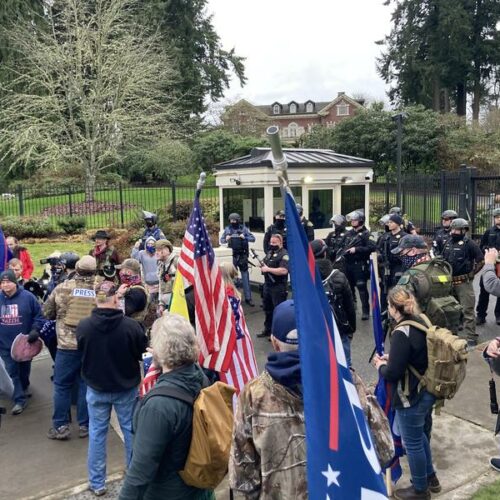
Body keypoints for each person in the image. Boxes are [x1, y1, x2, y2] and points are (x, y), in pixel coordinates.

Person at [119, 313, 212, 500]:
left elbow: (141, 470)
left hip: (168, 492)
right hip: (199, 486)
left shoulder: (158, 407)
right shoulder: (199, 376)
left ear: (159, 350)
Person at [77, 280, 148, 497]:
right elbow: (141, 353)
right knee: (130, 431)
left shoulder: (84, 326)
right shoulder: (131, 327)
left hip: (96, 387)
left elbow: (82, 351)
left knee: (97, 434)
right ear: (117, 299)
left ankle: (97, 483)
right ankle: (133, 478)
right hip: (125, 387)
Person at [230, 299, 306, 499]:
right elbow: (383, 452)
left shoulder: (254, 395)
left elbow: (243, 476)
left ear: (274, 342)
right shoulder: (348, 384)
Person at [372, 287, 440, 500]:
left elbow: (392, 373)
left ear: (394, 308)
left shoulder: (401, 332)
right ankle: (431, 478)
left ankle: (420, 490)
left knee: (412, 443)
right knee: (419, 436)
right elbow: (415, 352)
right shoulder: (421, 320)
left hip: (410, 395)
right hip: (427, 388)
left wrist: (379, 366)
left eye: (389, 306)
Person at [43, 255, 98, 440]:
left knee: (61, 386)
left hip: (66, 346)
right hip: (89, 345)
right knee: (85, 385)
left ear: (77, 268)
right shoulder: (99, 289)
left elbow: (47, 312)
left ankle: (60, 426)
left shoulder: (62, 288)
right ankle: (85, 425)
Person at [392, 235, 462, 335]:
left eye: (402, 252)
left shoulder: (412, 274)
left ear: (413, 251)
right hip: (446, 326)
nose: (401, 256)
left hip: (423, 328)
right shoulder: (441, 267)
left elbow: (399, 303)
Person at [0, 269, 44, 415]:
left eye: (8, 282)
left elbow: (39, 316)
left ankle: (24, 387)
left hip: (25, 344)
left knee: (24, 370)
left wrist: (35, 330)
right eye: (2, 282)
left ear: (15, 282)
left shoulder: (28, 297)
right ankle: (19, 400)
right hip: (4, 345)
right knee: (11, 371)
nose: (5, 285)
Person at [311, 239, 356, 366]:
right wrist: (351, 328)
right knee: (345, 366)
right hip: (339, 328)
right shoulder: (339, 276)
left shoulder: (305, 276)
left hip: (315, 330)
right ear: (325, 253)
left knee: (320, 366)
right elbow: (350, 306)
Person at [441, 218, 484, 345]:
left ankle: (471, 337)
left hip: (464, 283)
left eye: (457, 229)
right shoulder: (448, 243)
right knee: (450, 310)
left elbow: (481, 261)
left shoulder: (470, 244)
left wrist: (473, 273)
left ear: (464, 230)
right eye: (452, 229)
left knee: (467, 310)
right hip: (449, 282)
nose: (454, 232)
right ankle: (453, 335)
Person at [341, 210, 376, 320]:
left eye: (354, 220)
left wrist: (357, 249)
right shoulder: (348, 233)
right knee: (349, 287)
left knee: (361, 287)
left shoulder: (367, 234)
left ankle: (365, 311)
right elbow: (341, 245)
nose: (352, 221)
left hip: (359, 264)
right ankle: (352, 308)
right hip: (347, 264)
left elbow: (371, 248)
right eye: (351, 220)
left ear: (360, 221)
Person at [220, 213, 256, 306]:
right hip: (233, 255)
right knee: (231, 277)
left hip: (243, 255)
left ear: (238, 220)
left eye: (234, 220)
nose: (233, 222)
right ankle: (233, 297)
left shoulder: (244, 229)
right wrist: (226, 239)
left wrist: (245, 237)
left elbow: (253, 238)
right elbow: (222, 240)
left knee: (245, 277)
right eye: (231, 220)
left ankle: (248, 298)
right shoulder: (228, 229)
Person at [257, 234, 289, 338]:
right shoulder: (270, 252)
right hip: (267, 285)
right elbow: (266, 263)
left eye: (274, 243)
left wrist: (268, 269)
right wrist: (262, 266)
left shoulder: (284, 254)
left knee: (278, 311)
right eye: (271, 242)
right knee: (267, 309)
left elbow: (284, 270)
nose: (272, 244)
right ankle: (268, 330)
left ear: (280, 243)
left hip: (278, 286)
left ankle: (277, 334)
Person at [476, 208, 500, 326]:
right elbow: (482, 246)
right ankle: (481, 315)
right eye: (496, 217)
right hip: (489, 263)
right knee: (484, 289)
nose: (498, 219)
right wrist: (487, 250)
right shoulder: (489, 231)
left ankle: (499, 315)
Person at [377, 214, 407, 303]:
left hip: (398, 267)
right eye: (388, 222)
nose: (388, 224)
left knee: (396, 290)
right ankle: (384, 312)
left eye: (391, 222)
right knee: (384, 290)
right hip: (385, 267)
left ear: (397, 224)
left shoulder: (404, 236)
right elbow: (378, 249)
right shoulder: (385, 236)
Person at [115, 259, 149, 323]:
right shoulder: (133, 286)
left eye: (121, 270)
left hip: (131, 329)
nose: (120, 272)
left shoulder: (136, 292)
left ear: (128, 272)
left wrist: (118, 295)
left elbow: (121, 313)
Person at [131, 236, 159, 301]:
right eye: (149, 244)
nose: (150, 245)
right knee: (149, 301)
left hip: (159, 281)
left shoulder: (158, 253)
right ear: (146, 244)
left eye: (152, 244)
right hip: (148, 282)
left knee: (158, 302)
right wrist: (135, 248)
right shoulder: (142, 253)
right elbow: (134, 260)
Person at [155, 240, 177, 314]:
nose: (156, 252)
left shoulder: (177, 261)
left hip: (177, 303)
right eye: (156, 250)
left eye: (159, 250)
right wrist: (161, 303)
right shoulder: (161, 264)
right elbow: (161, 285)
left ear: (167, 250)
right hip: (166, 305)